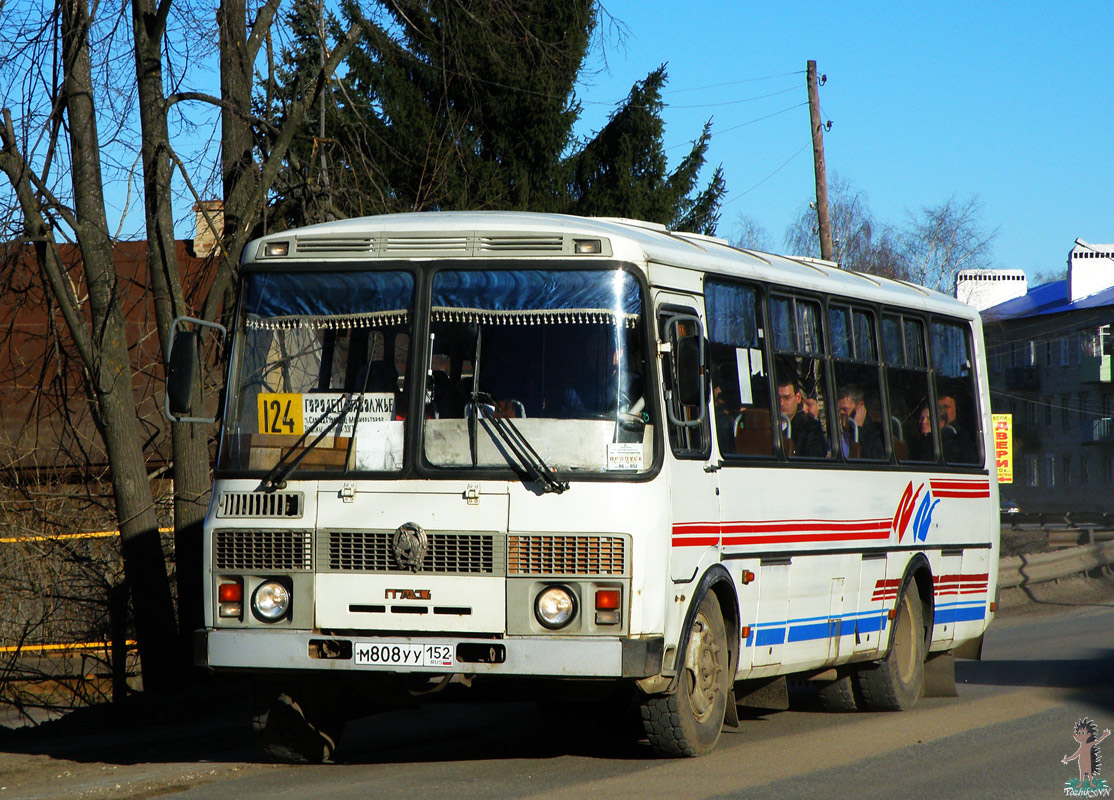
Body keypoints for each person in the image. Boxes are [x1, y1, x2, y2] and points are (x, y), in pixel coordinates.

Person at [776, 375, 826, 457]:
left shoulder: (811, 428)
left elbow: (812, 463)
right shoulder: (763, 425)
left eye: (787, 398)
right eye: (777, 398)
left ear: (798, 398)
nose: (781, 403)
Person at [836, 384, 884, 459]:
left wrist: (858, 428)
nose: (841, 413)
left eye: (846, 409)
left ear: (859, 406)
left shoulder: (873, 432)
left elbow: (869, 458)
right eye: (839, 410)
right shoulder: (835, 430)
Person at [937, 392, 978, 463]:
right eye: (938, 407)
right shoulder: (929, 431)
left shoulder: (960, 437)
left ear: (956, 409)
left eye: (946, 407)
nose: (941, 411)